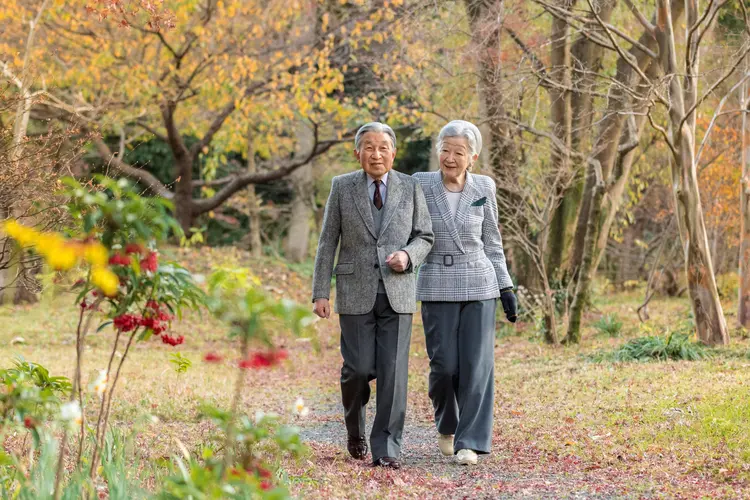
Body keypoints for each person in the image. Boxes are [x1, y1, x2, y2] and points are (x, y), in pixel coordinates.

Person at [312, 122, 434, 470]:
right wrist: (321, 291)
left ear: (393, 153)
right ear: (357, 153)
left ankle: (386, 449)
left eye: (383, 147)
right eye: (369, 147)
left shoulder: (410, 187)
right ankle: (355, 431)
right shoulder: (342, 186)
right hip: (354, 291)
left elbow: (425, 236)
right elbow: (326, 243)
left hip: (398, 293)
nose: (376, 154)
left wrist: (408, 256)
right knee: (358, 368)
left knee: (394, 373)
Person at [412, 120, 517, 466]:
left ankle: (470, 441)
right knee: (444, 366)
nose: (451, 158)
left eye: (459, 152)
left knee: (476, 366)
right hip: (436, 282)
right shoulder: (420, 183)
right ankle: (447, 425)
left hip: (479, 281)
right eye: (445, 150)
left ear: (472, 157)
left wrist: (505, 286)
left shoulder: (484, 186)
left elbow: (493, 241)